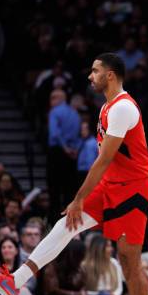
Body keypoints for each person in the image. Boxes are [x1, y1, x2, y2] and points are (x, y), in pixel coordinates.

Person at [0, 53, 148, 295]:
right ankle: (14, 282)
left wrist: (78, 198)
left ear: (111, 75)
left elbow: (102, 161)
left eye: (96, 71)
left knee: (130, 261)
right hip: (112, 185)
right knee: (66, 224)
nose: (90, 76)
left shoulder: (124, 107)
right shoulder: (106, 107)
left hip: (133, 189)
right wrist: (78, 201)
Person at [47, 89, 81, 219]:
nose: (50, 102)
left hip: (57, 152)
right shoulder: (75, 113)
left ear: (58, 98)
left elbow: (55, 133)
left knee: (54, 189)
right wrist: (74, 150)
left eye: (52, 98)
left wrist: (65, 148)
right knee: (69, 189)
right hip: (72, 155)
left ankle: (54, 220)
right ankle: (69, 219)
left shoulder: (55, 112)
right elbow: (79, 136)